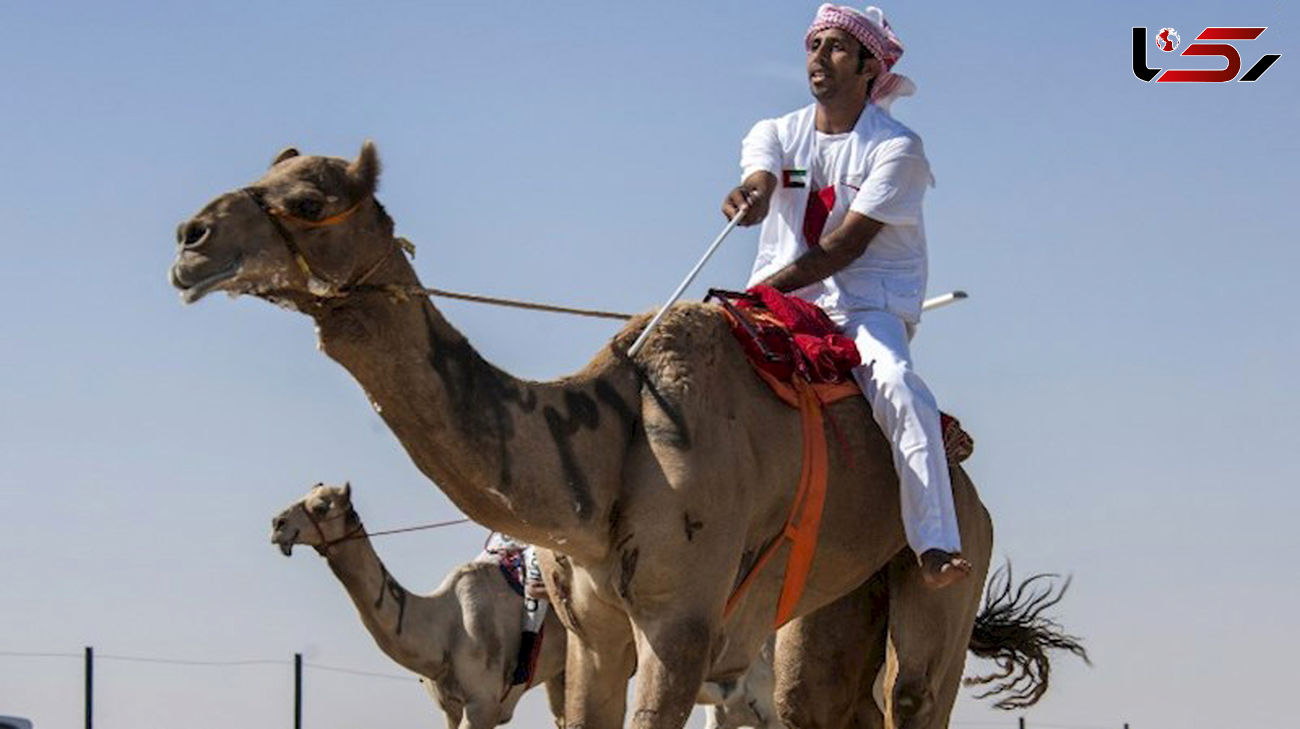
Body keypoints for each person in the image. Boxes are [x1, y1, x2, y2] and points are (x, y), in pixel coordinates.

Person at [722, 4, 970, 589]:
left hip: (862, 309)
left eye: (835, 48)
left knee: (899, 389)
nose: (819, 59)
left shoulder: (898, 149)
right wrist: (748, 198)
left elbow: (843, 249)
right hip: (774, 305)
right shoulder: (775, 131)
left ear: (868, 68)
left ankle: (934, 544)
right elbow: (760, 178)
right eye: (814, 46)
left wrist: (752, 296)